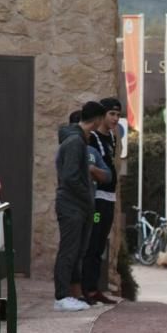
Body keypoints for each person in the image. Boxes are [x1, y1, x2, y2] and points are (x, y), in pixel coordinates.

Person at [54, 102, 107, 311]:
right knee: (69, 250)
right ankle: (61, 296)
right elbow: (70, 178)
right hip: (72, 206)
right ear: (97, 119)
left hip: (79, 206)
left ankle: (69, 295)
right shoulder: (75, 141)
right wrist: (87, 198)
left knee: (76, 251)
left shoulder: (77, 140)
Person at [81, 97, 123, 306]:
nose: (115, 119)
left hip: (109, 197)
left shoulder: (112, 138)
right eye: (111, 114)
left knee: (100, 245)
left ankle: (94, 287)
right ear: (102, 116)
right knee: (92, 242)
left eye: (118, 115)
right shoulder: (93, 138)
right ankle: (85, 288)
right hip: (97, 198)